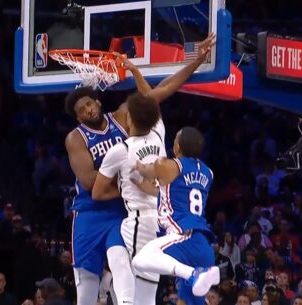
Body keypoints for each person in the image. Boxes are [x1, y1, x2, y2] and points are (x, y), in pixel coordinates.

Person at [65, 32, 216, 305]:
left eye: (89, 103)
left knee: (123, 257)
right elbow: (91, 185)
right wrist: (131, 185)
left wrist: (195, 62)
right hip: (93, 209)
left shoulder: (123, 125)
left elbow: (161, 91)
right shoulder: (78, 138)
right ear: (78, 117)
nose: (87, 109)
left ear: (98, 102)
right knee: (89, 284)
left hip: (128, 212)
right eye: (81, 109)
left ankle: (122, 297)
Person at [131, 127, 220, 305]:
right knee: (185, 302)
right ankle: (195, 274)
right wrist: (140, 185)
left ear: (177, 147)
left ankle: (193, 274)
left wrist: (137, 166)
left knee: (140, 260)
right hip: (202, 244)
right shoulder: (208, 173)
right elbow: (168, 194)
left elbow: (149, 171)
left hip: (183, 235)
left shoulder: (169, 165)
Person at [92, 93, 165, 305]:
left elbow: (97, 193)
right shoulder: (158, 135)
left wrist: (121, 189)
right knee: (115, 252)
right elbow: (153, 99)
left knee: (143, 286)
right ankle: (123, 300)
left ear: (129, 119)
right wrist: (135, 73)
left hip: (140, 219)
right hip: (160, 217)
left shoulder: (120, 151)